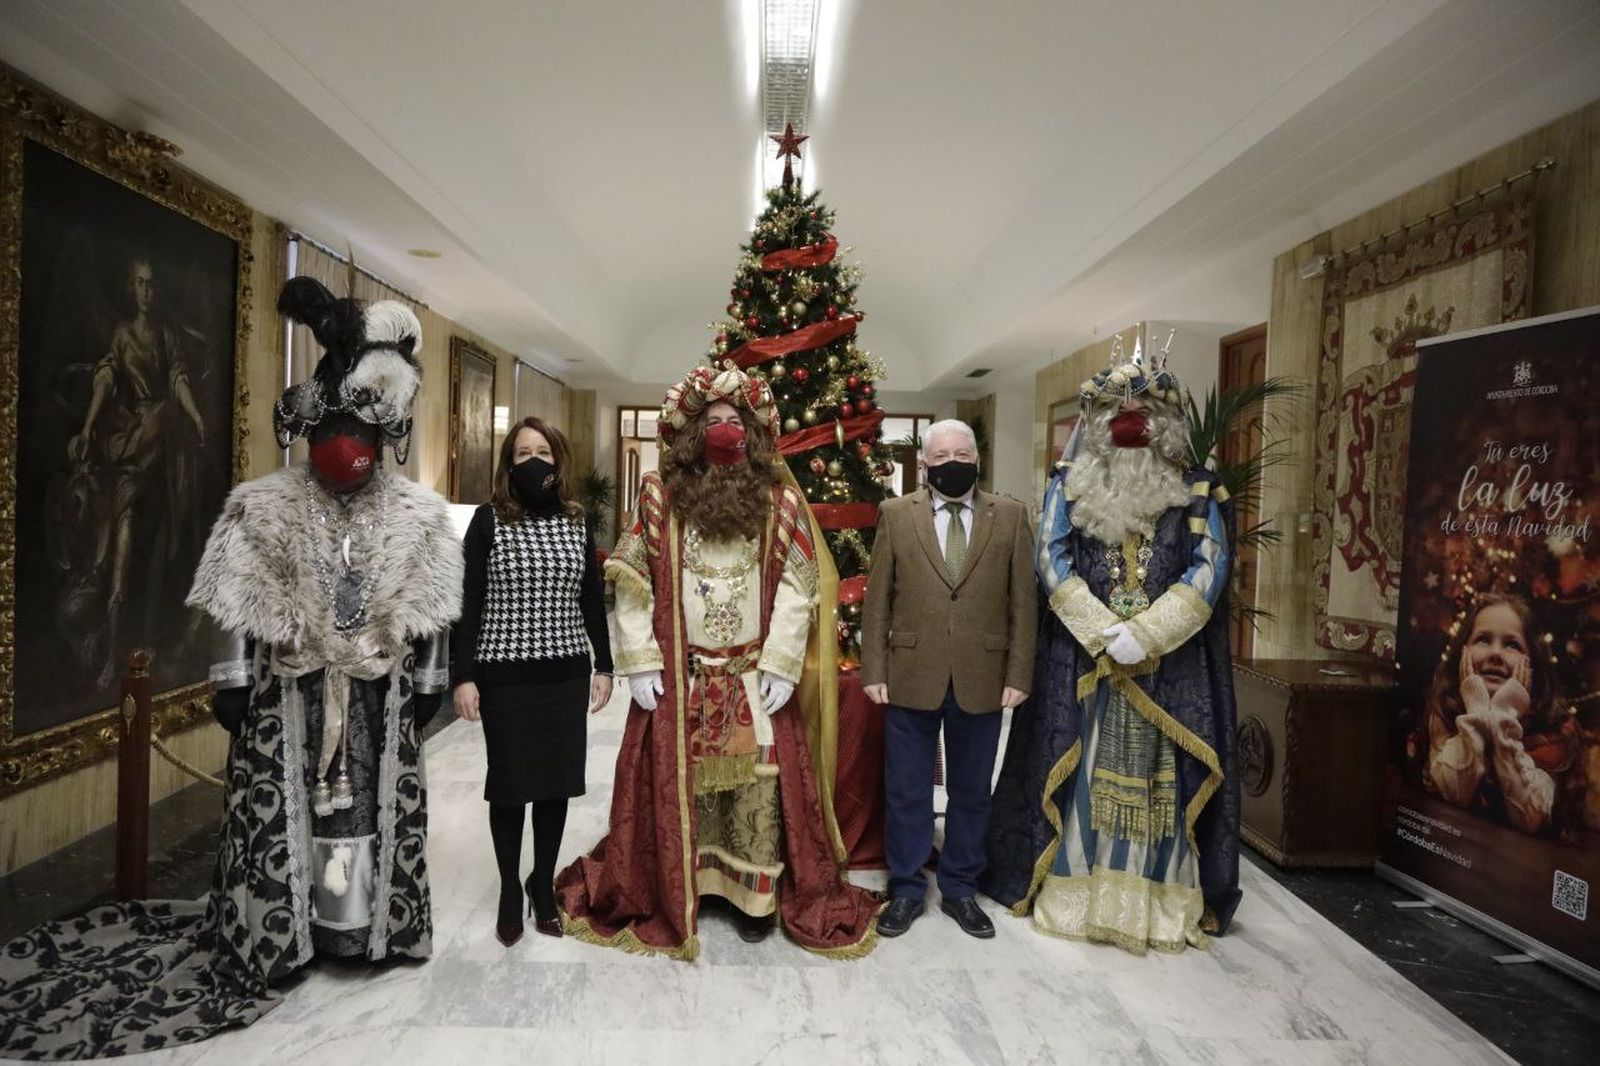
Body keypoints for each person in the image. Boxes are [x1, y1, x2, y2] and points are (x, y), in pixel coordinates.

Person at [0, 277, 461, 1058]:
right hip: (288, 696)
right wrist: (233, 681)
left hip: (375, 701)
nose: (343, 441)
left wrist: (426, 685)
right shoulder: (262, 505)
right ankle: (284, 932)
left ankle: (358, 929)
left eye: (355, 427)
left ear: (379, 432)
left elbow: (433, 608)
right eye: (331, 426)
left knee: (360, 816)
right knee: (287, 819)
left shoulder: (418, 515)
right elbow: (234, 603)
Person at [557, 363, 878, 958]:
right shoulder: (659, 497)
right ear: (692, 434)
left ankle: (753, 900)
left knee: (758, 790)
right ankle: (687, 885)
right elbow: (631, 582)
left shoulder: (780, 503)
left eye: (734, 421)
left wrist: (782, 661)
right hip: (680, 679)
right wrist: (640, 661)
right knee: (682, 786)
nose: (724, 431)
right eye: (712, 423)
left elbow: (798, 586)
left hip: (754, 678)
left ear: (751, 434)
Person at [983, 348, 1241, 954]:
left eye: (1144, 410)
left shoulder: (1198, 490)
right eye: (1116, 411)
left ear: (1167, 421)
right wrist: (1103, 632)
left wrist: (1147, 634)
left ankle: (1156, 903)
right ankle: (1072, 893)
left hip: (1169, 666)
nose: (1130, 422)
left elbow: (1211, 566)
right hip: (1083, 661)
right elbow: (1050, 559)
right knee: (1077, 774)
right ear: (1095, 422)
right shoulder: (1068, 484)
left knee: (1163, 784)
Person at [859, 419, 1037, 939]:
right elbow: (877, 600)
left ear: (977, 459)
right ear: (924, 465)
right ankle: (906, 888)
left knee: (972, 791)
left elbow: (1024, 605)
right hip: (910, 673)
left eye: (962, 454)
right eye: (940, 457)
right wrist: (874, 669)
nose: (952, 463)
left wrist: (1018, 673)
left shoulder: (1010, 516)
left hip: (984, 676)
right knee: (907, 791)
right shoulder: (896, 514)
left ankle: (960, 888)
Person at [451, 417, 614, 946]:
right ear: (509, 464)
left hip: (564, 674)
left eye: (542, 451)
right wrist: (463, 675)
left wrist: (604, 665)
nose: (533, 461)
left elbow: (591, 598)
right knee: (510, 786)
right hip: (504, 677)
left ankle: (541, 883)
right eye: (523, 453)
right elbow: (467, 602)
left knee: (554, 785)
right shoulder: (488, 521)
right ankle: (508, 888)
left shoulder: (576, 520)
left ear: (558, 459)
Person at [68, 257, 209, 689]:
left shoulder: (166, 336)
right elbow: (105, 379)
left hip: (164, 454)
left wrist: (195, 415)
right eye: (141, 283)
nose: (147, 291)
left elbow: (179, 379)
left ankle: (148, 643)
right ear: (131, 288)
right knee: (122, 546)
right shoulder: (122, 335)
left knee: (161, 549)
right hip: (134, 447)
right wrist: (88, 426)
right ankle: (111, 650)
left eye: (152, 284)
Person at [1425, 592, 1582, 836]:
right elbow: (1453, 792)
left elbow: (1530, 817)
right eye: (1483, 640)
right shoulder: (1444, 711)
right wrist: (1478, 712)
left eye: (1512, 645)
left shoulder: (1555, 730)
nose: (1495, 654)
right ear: (1463, 651)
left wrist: (1503, 716)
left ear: (1533, 662)